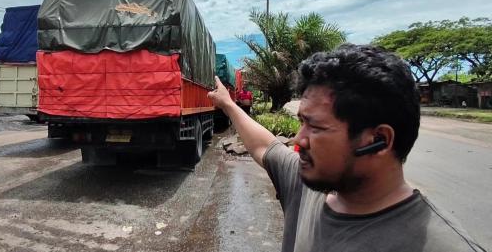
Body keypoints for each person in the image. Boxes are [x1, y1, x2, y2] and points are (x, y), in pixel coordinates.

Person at [208, 44, 486, 252]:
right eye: (301, 123)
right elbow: (264, 144)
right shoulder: (306, 184)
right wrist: (228, 104)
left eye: (316, 127)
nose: (298, 140)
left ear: (379, 140)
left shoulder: (441, 245)